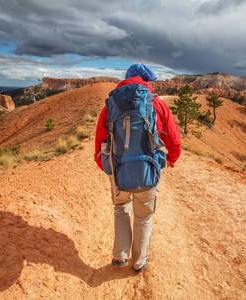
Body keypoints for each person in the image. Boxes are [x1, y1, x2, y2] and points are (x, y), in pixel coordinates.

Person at [94, 63, 182, 273]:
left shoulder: (110, 105)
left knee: (121, 210)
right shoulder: (157, 104)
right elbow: (174, 140)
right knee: (143, 217)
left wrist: (108, 169)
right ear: (146, 81)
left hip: (118, 171)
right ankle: (139, 261)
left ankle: (120, 257)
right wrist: (171, 159)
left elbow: (99, 143)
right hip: (148, 172)